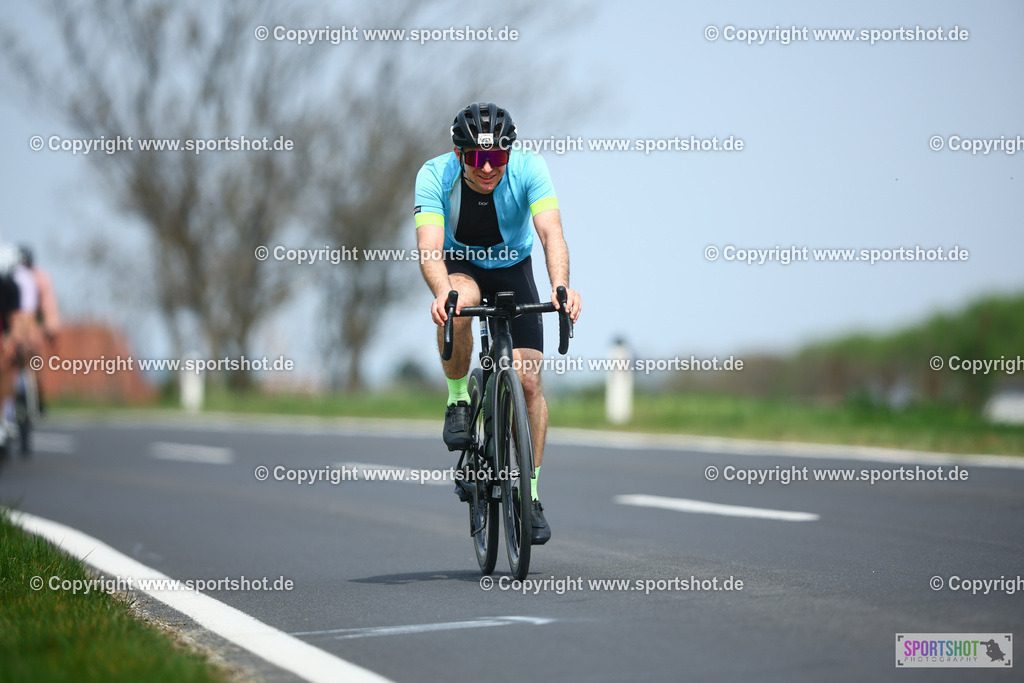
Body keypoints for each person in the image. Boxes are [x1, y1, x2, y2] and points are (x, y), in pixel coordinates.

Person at [415, 102, 582, 545]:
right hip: (462, 267)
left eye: (497, 158)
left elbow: (551, 233)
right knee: (461, 301)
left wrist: (561, 286)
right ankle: (457, 401)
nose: (488, 168)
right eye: (477, 158)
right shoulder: (434, 175)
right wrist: (441, 291)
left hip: (514, 269)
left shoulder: (530, 168)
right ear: (458, 154)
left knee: (528, 382)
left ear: (510, 153)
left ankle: (529, 495)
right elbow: (430, 247)